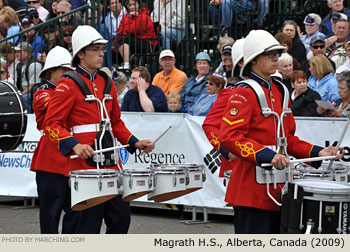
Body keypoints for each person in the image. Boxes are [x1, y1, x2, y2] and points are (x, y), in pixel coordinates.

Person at [219, 29, 344, 234]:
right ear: (253, 60)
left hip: (278, 189)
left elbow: (288, 140)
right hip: (251, 191)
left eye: (276, 53)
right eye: (269, 54)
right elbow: (229, 136)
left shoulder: (279, 90)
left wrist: (317, 152)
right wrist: (269, 155)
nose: (275, 58)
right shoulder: (243, 91)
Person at [43, 25, 154, 234]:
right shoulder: (67, 84)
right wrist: (74, 145)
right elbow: (51, 124)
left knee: (121, 220)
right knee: (88, 227)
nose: (102, 53)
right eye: (95, 49)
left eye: (102, 48)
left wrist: (134, 142)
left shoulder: (106, 81)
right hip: (85, 167)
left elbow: (116, 123)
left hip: (112, 164)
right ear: (81, 53)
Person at [30, 46, 81, 234]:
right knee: (50, 214)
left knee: (76, 211)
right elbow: (59, 107)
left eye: (70, 71)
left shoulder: (72, 91)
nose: (67, 75)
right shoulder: (42, 92)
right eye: (63, 71)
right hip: (50, 159)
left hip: (73, 156)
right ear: (51, 71)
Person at [202, 38, 244, 178]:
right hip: (238, 165)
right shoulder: (231, 90)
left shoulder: (275, 87)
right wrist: (226, 151)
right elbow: (209, 125)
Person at [116, 0, 156, 70]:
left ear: (139, 5)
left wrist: (133, 18)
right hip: (133, 41)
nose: (132, 7)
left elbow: (133, 29)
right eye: (130, 5)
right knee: (119, 39)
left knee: (125, 39)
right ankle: (127, 63)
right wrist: (130, 19)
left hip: (146, 43)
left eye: (134, 4)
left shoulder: (144, 16)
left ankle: (127, 64)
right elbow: (120, 30)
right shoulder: (126, 16)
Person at [15, 41, 43, 112]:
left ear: (28, 53)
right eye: (16, 52)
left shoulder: (35, 65)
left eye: (19, 52)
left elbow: (33, 87)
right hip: (23, 91)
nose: (16, 54)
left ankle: (29, 117)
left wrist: (19, 95)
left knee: (23, 98)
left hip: (34, 93)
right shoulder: (19, 65)